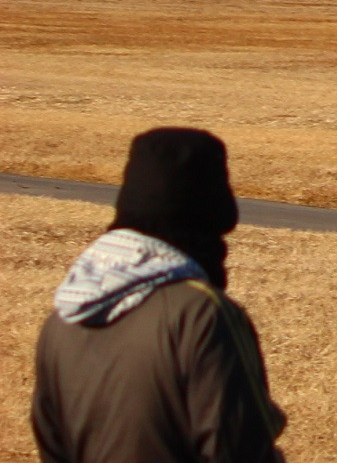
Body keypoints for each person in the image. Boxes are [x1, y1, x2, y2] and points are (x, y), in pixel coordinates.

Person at [30, 128, 286, 463]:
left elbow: (51, 444)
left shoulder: (64, 316)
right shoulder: (201, 313)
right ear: (216, 209)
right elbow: (236, 448)